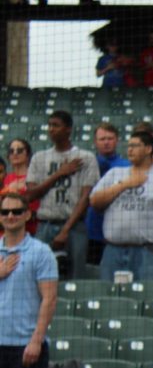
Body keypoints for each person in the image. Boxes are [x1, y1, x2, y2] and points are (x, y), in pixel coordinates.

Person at [89, 131, 153, 281]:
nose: (129, 150)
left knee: (146, 297)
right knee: (111, 298)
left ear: (148, 149)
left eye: (135, 146)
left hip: (148, 252)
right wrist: (124, 185)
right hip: (113, 250)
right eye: (128, 146)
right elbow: (94, 201)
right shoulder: (115, 174)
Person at [24, 110, 100, 279]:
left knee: (75, 277)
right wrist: (59, 173)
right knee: (39, 276)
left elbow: (85, 198)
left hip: (74, 227)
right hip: (45, 224)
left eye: (56, 125)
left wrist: (65, 230)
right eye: (50, 125)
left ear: (68, 129)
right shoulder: (39, 157)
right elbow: (30, 195)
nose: (51, 129)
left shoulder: (85, 158)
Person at [0, 193, 57, 368]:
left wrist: (36, 341)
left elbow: (49, 299)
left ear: (27, 215)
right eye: (5, 212)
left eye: (16, 211)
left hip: (26, 347)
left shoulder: (41, 252)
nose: (10, 216)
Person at [84, 123, 130, 265]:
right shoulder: (87, 165)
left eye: (110, 138)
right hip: (92, 227)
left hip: (118, 226)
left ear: (117, 140)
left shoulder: (127, 165)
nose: (106, 142)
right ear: (95, 142)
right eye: (102, 139)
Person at [2, 139, 39, 235]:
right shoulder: (5, 178)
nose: (15, 153)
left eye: (19, 150)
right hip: (9, 230)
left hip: (33, 228)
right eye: (11, 151)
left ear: (27, 155)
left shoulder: (35, 178)